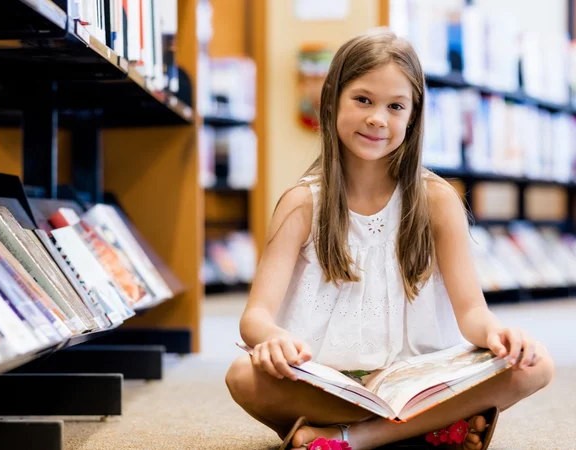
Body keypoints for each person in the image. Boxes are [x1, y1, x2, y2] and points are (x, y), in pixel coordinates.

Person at [225, 28, 554, 450]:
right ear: (331, 99)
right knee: (242, 375)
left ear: (412, 117)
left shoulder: (437, 199)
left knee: (536, 363)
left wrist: (498, 334)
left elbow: (472, 312)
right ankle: (425, 429)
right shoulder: (301, 203)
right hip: (328, 380)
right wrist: (271, 339)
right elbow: (254, 317)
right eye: (363, 100)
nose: (377, 118)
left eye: (395, 106)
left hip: (421, 377)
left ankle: (352, 438)